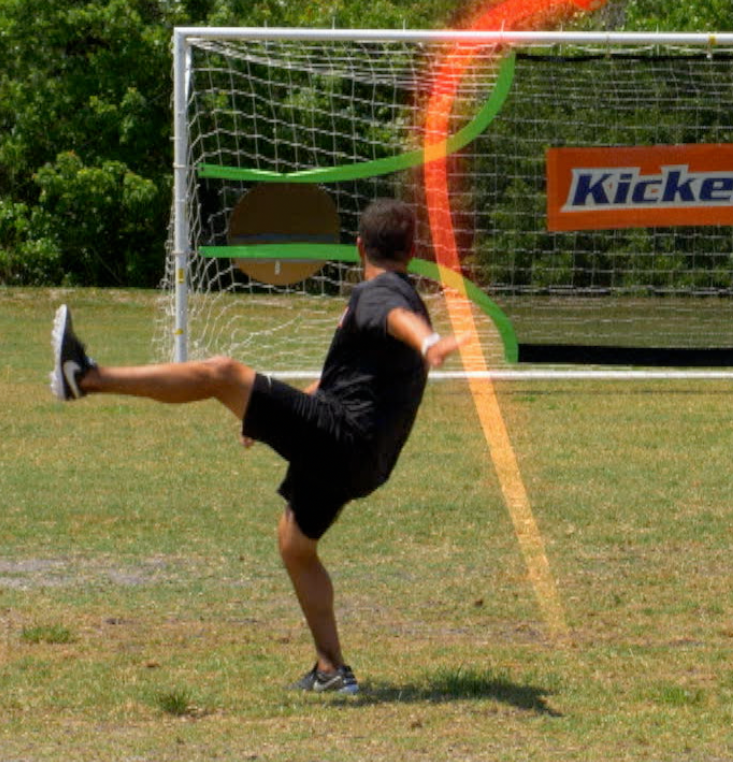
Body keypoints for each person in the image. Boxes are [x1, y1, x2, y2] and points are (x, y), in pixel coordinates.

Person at [50, 198, 463, 696]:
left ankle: (86, 378)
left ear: (359, 247)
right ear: (412, 251)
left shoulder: (380, 292)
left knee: (220, 373)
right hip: (363, 457)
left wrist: (428, 342)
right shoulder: (403, 292)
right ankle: (331, 670)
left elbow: (394, 317)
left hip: (342, 439)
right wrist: (275, 413)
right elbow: (349, 377)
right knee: (295, 544)